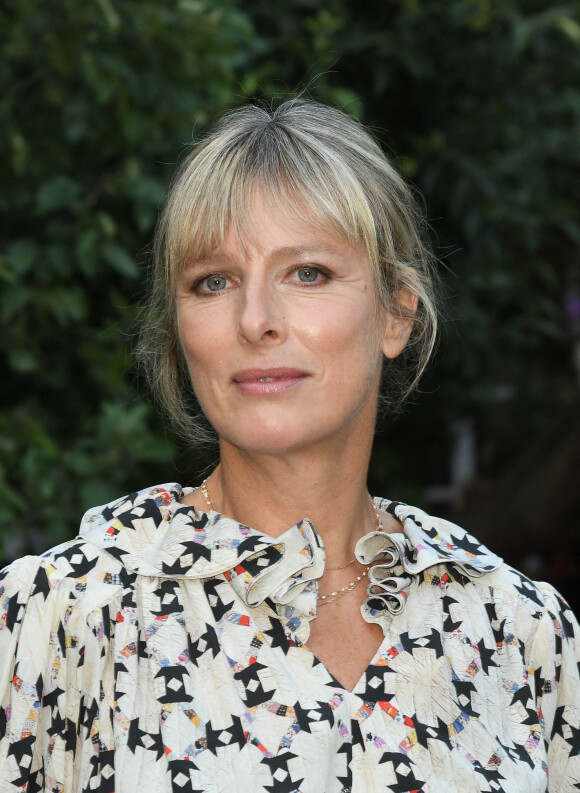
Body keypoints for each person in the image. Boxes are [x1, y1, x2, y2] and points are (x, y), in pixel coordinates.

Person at [1, 99, 578, 793]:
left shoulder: (523, 631)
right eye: (213, 282)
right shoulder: (60, 617)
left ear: (396, 312)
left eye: (307, 272)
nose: (255, 320)